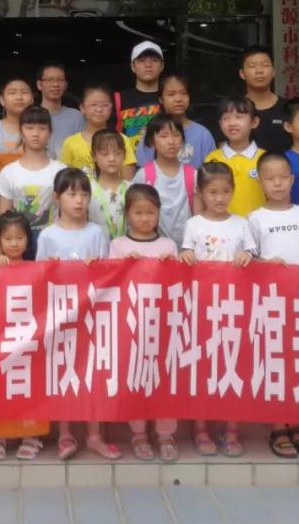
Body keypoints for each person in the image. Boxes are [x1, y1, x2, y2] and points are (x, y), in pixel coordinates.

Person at [34, 169, 119, 461]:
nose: (79, 200)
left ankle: (94, 435)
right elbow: (37, 277)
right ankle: (65, 434)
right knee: (64, 372)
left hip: (92, 315)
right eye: (72, 194)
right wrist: (49, 269)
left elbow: (108, 274)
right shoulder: (48, 235)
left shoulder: (96, 232)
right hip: (60, 316)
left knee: (93, 372)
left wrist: (98, 266)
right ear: (58, 198)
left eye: (84, 194)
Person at [180, 161, 255, 458]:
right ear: (200, 192)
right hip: (202, 307)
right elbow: (186, 254)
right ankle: (201, 428)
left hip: (235, 307)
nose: (220, 198)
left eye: (225, 191)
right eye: (213, 192)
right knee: (203, 368)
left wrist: (246, 256)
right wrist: (186, 254)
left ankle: (231, 427)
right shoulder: (193, 225)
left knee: (232, 366)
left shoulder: (241, 223)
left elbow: (252, 254)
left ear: (233, 191)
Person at [246, 151, 299, 459]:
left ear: (292, 179)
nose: (277, 183)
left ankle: (296, 422)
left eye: (282, 177)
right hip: (271, 301)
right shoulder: (254, 218)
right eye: (270, 178)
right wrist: (266, 264)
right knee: (275, 362)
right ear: (260, 183)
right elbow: (249, 261)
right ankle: (278, 425)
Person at [109, 184, 179, 463]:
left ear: (159, 212)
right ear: (127, 214)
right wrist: (123, 266)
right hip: (131, 327)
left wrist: (172, 264)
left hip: (163, 327)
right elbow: (109, 283)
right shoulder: (118, 245)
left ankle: (166, 434)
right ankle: (138, 433)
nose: (145, 218)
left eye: (150, 212)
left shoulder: (168, 245)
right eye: (138, 212)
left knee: (164, 381)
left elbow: (180, 284)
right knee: (135, 379)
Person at [0, 211, 49, 461]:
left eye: (20, 238)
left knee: (30, 387)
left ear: (28, 239)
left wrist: (53, 268)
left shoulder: (36, 268)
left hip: (28, 339)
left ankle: (32, 436)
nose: (14, 243)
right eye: (8, 238)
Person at [0, 106, 66, 237]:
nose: (36, 134)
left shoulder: (61, 170)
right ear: (20, 132)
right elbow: (3, 220)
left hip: (53, 240)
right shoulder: (8, 172)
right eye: (29, 128)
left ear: (50, 132)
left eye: (42, 128)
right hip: (18, 242)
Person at [132, 113, 194, 246]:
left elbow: (198, 217)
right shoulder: (144, 175)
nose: (171, 141)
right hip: (152, 247)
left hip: (187, 248)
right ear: (151, 141)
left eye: (176, 135)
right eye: (163, 136)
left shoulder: (192, 175)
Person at [134, 72, 216, 168]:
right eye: (171, 94)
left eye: (184, 93)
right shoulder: (152, 131)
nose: (178, 99)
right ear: (161, 99)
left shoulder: (202, 134)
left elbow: (212, 172)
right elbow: (143, 170)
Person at [59, 83, 137, 178]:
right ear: (82, 108)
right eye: (93, 105)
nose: (99, 109)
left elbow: (128, 180)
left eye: (105, 105)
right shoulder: (70, 143)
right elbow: (65, 179)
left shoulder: (122, 140)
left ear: (111, 108)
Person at [204, 97, 264, 217]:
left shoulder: (265, 159)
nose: (232, 123)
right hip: (223, 225)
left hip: (259, 225)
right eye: (226, 118)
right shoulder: (212, 159)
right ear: (220, 124)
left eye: (239, 117)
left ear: (254, 122)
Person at [239, 45, 290, 153]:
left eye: (265, 65)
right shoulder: (233, 109)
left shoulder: (289, 108)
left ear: (273, 72)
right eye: (252, 66)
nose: (259, 71)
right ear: (242, 73)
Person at [115, 40, 164, 144]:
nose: (148, 64)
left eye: (154, 60)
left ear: (162, 66)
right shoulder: (118, 99)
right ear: (133, 67)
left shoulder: (171, 98)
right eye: (142, 60)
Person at [88, 129, 130, 241]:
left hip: (126, 249)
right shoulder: (87, 190)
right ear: (93, 156)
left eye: (117, 153)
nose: (112, 158)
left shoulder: (131, 189)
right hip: (95, 249)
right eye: (104, 154)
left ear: (124, 155)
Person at [37, 61, 84, 158]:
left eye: (60, 80)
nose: (55, 84)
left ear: (66, 85)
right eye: (50, 79)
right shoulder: (30, 116)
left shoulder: (76, 116)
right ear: (39, 84)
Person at [0, 76, 35, 173]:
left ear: (32, 99)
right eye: (12, 93)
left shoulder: (43, 130)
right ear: (2, 100)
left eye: (24, 92)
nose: (19, 97)